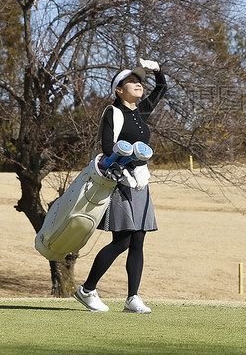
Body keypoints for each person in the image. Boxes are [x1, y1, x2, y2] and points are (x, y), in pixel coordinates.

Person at [73, 59, 166, 314]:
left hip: (140, 182)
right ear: (118, 90)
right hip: (120, 181)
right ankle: (87, 290)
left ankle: (132, 298)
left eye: (139, 81)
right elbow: (107, 147)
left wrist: (157, 70)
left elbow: (161, 89)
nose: (138, 84)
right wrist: (120, 167)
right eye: (131, 82)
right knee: (123, 240)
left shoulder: (140, 112)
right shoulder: (112, 112)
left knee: (138, 240)